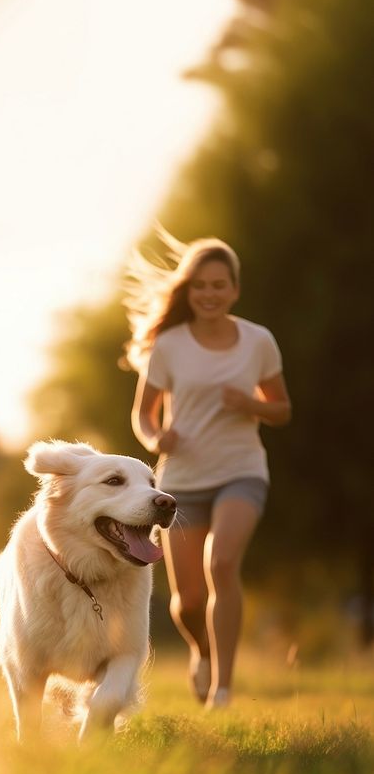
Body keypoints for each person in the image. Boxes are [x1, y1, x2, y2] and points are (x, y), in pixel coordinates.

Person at [126, 230, 291, 709]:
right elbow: (143, 414)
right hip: (180, 482)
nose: (210, 294)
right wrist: (157, 439)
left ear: (234, 290)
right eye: (200, 286)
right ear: (188, 291)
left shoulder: (258, 341)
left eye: (219, 285)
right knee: (189, 601)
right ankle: (202, 650)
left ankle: (223, 687)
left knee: (222, 564)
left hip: (241, 471)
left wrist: (251, 404)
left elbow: (282, 408)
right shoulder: (170, 346)